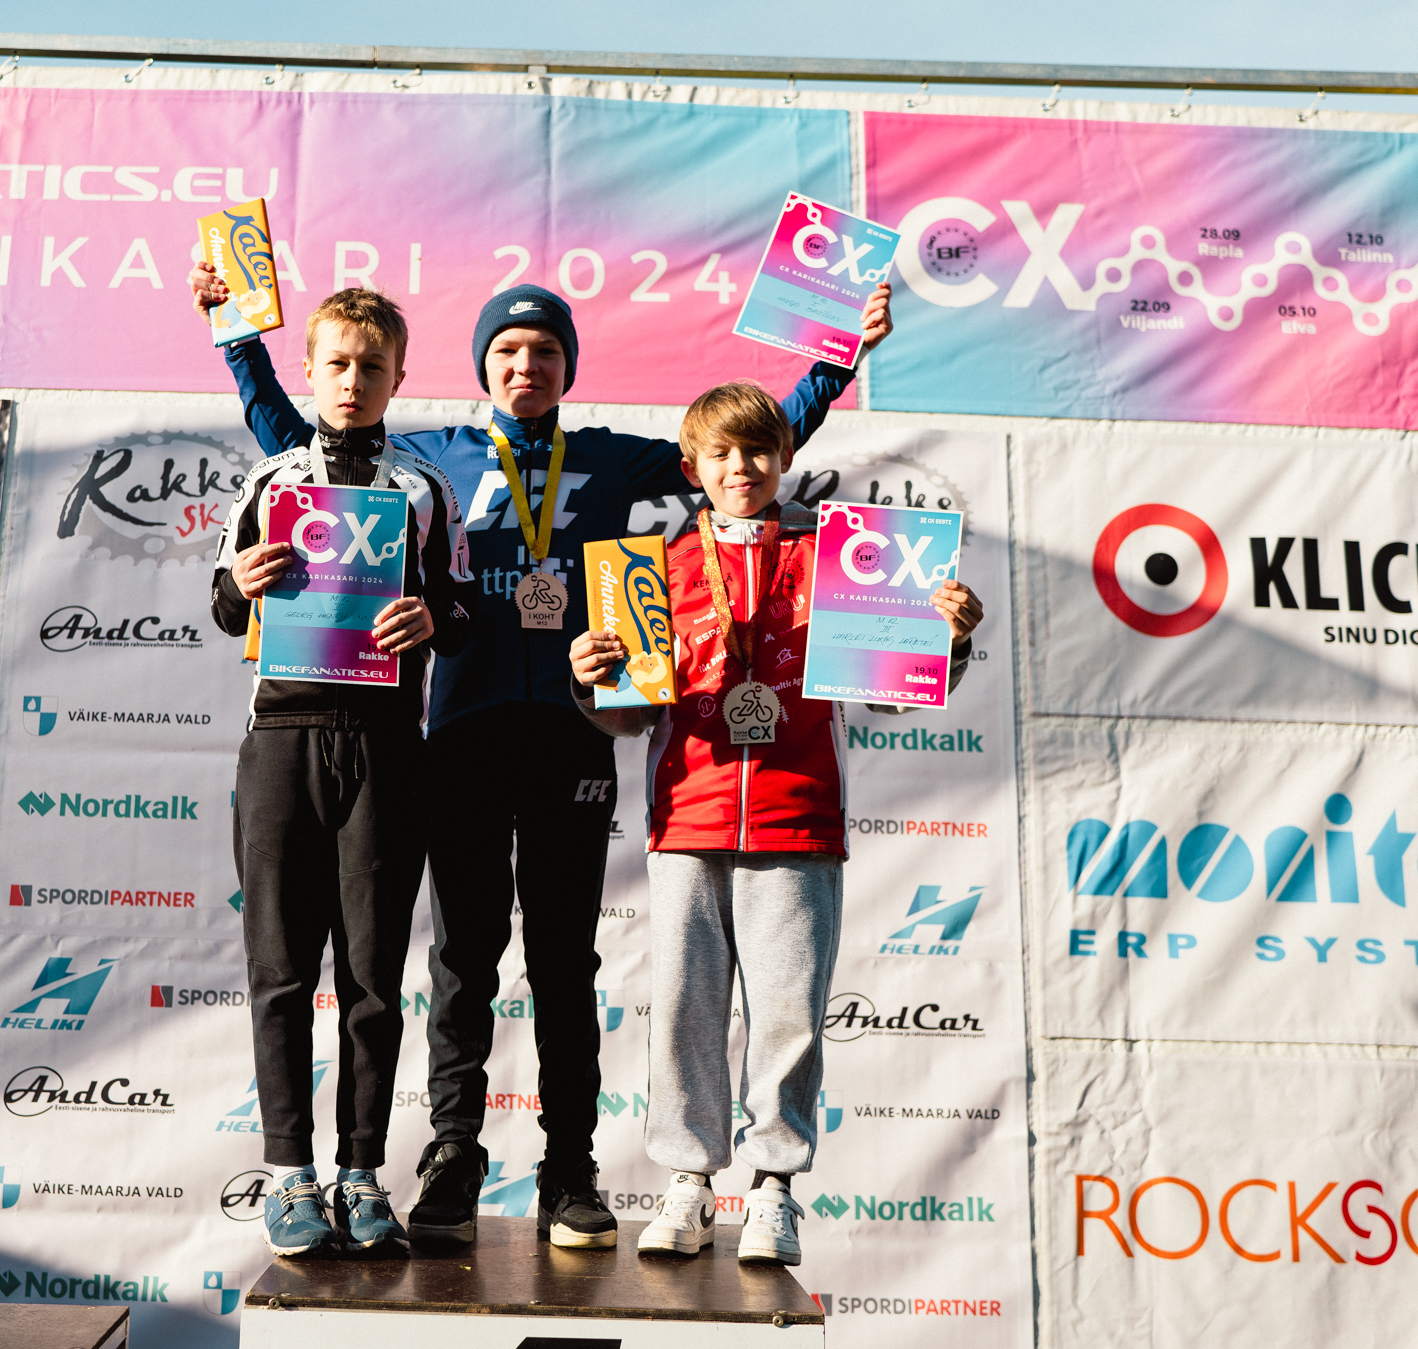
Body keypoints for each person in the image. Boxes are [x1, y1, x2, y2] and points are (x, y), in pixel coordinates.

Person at [190, 261, 892, 1248]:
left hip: (572, 737)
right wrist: (235, 336)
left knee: (565, 961)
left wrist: (838, 356)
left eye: (547, 350)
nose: (527, 364)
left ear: (568, 367)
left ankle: (569, 1166)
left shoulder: (609, 460)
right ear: (482, 365)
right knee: (461, 958)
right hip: (460, 736)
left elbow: (745, 447)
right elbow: (288, 440)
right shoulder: (425, 459)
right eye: (509, 350)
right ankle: (451, 1152)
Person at [566, 382, 983, 1265]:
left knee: (789, 1016)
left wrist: (945, 640)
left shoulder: (844, 560)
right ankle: (688, 1181)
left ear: (786, 457)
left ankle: (773, 1188)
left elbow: (893, 697)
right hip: (688, 816)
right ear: (691, 468)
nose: (741, 467)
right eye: (720, 453)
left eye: (757, 449)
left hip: (799, 814)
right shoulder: (654, 568)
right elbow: (627, 718)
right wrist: (591, 677)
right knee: (686, 1009)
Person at [210, 286, 473, 1257]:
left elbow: (460, 609)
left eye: (372, 366)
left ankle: (360, 1171)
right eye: (337, 364)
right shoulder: (271, 478)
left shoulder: (423, 488)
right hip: (282, 736)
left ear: (398, 376)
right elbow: (224, 604)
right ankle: (290, 1173)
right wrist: (240, 582)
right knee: (280, 970)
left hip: (385, 742)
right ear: (311, 371)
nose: (353, 381)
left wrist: (432, 619)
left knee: (371, 976)